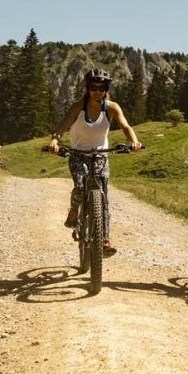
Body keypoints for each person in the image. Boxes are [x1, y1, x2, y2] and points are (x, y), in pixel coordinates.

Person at [45, 68, 143, 257]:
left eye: (101, 88)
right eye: (93, 87)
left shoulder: (111, 107)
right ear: (88, 88)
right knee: (80, 185)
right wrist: (55, 141)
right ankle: (74, 211)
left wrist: (134, 141)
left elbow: (125, 126)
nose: (97, 91)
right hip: (78, 154)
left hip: (100, 156)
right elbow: (63, 127)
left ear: (106, 89)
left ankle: (104, 239)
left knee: (103, 198)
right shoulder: (78, 107)